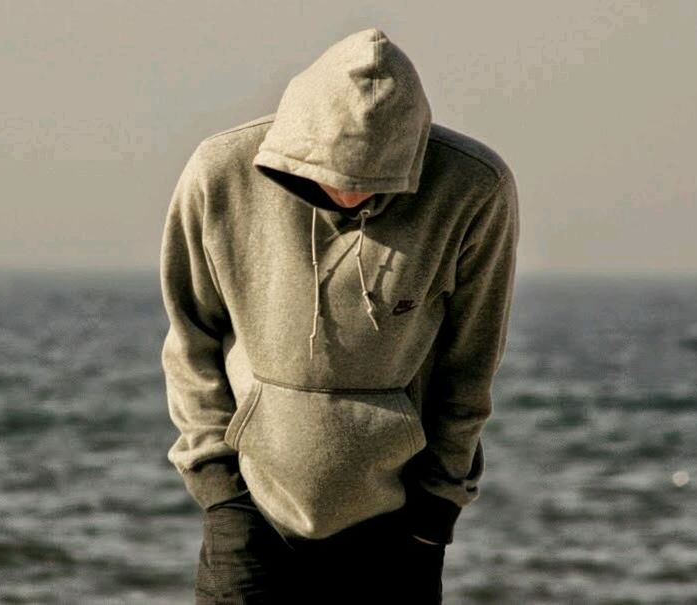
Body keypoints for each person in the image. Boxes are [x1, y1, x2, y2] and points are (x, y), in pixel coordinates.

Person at [158, 27, 519, 604]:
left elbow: (471, 363)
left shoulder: (474, 189)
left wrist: (436, 512)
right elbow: (190, 334)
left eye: (374, 182)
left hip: (399, 526)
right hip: (249, 516)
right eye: (338, 174)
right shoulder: (219, 173)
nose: (352, 195)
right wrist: (219, 489)